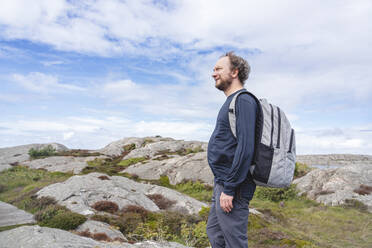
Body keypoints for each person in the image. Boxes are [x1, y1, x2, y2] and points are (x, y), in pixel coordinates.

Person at [206, 51, 257, 248]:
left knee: (234, 241)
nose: (213, 73)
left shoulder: (243, 100)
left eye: (218, 69)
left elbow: (246, 149)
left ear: (234, 72)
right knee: (215, 233)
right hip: (224, 181)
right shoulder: (232, 101)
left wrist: (230, 188)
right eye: (214, 69)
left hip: (234, 186)